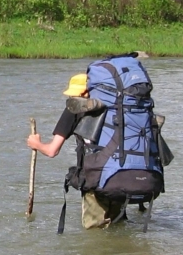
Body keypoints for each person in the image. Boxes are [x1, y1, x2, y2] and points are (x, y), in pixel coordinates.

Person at [26, 73, 127, 229]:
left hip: (95, 178)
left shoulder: (74, 109)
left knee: (95, 234)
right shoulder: (117, 107)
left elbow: (52, 151)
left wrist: (36, 144)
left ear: (83, 93)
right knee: (119, 228)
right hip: (121, 176)